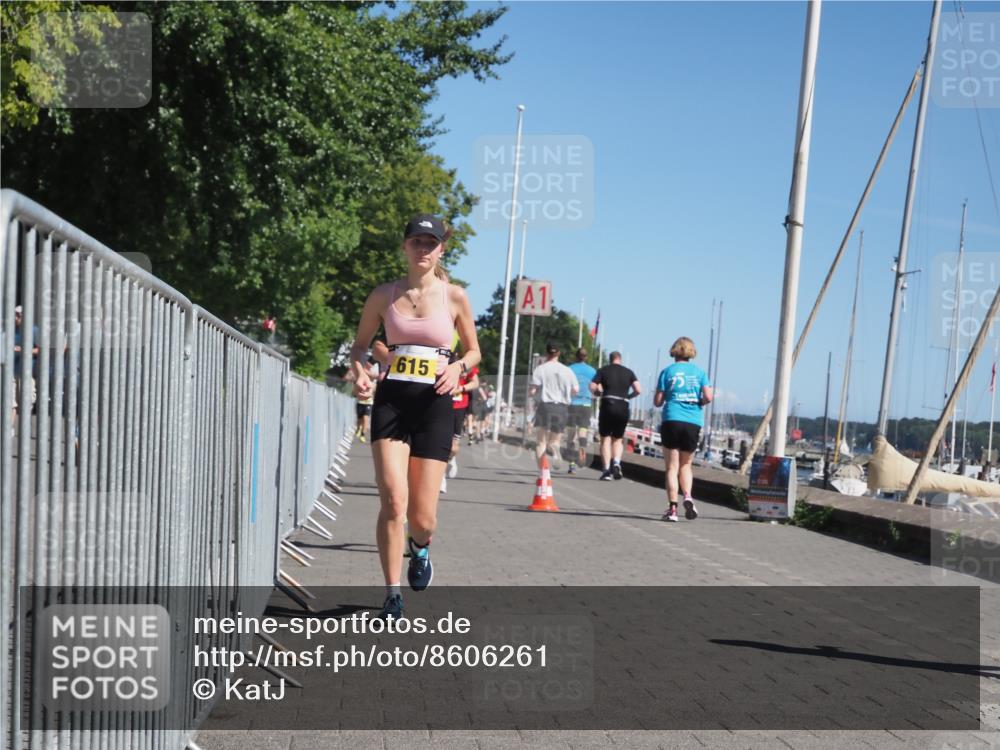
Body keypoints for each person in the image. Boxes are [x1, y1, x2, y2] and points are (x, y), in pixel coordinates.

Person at [350, 214, 480, 620]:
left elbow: (474, 351)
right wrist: (360, 373)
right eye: (416, 241)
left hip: (435, 407)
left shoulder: (454, 296)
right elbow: (360, 347)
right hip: (392, 403)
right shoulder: (383, 295)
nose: (423, 248)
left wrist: (459, 368)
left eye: (431, 242)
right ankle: (392, 594)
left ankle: (419, 549)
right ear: (405, 246)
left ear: (441, 249)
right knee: (392, 500)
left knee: (422, 518)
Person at [654, 337, 712, 522]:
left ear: (674, 351)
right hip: (693, 421)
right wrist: (699, 401)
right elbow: (709, 396)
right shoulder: (700, 372)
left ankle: (672, 509)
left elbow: (657, 402)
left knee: (671, 467)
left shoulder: (667, 372)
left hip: (672, 419)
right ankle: (687, 495)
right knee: (686, 465)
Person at [591, 351, 641, 481]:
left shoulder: (603, 370)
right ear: (620, 359)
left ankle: (606, 470)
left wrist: (597, 392)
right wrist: (629, 396)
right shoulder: (629, 372)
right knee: (618, 439)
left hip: (608, 404)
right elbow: (638, 389)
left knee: (605, 439)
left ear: (610, 359)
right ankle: (617, 463)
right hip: (623, 406)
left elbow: (592, 386)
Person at [528, 342, 578, 471]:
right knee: (555, 440)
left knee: (541, 442)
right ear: (559, 353)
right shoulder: (568, 370)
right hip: (562, 408)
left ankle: (543, 472)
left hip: (545, 406)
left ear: (546, 353)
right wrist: (566, 393)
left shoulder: (540, 369)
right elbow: (576, 390)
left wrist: (533, 394)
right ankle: (555, 451)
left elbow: (532, 391)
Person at [444, 342, 479, 492]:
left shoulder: (466, 364)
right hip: (441, 407)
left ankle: (451, 459)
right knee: (439, 444)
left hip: (459, 408)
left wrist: (461, 388)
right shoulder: (440, 359)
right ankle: (440, 479)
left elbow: (475, 383)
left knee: (453, 446)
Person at [566, 348, 596, 474]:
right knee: (582, 432)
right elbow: (596, 388)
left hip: (573, 403)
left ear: (576, 356)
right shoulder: (592, 371)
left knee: (571, 436)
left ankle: (572, 464)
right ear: (586, 357)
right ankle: (582, 446)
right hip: (586, 404)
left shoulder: (569, 369)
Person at [354, 356, 378, 442]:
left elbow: (376, 377)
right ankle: (358, 428)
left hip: (369, 403)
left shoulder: (374, 380)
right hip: (360, 401)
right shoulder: (362, 374)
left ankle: (363, 434)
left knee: (366, 418)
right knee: (359, 419)